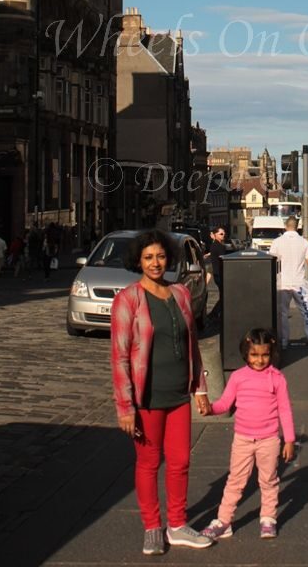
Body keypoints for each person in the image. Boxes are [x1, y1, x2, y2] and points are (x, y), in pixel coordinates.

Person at [111, 228, 213, 556]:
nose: (156, 263)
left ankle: (178, 523)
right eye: (148, 257)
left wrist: (200, 387)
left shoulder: (181, 294)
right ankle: (152, 527)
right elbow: (120, 355)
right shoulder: (128, 299)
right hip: (148, 397)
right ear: (138, 261)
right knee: (148, 462)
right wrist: (125, 406)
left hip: (179, 393)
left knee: (181, 460)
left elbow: (191, 344)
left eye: (160, 256)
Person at [200, 327, 295, 541]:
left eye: (265, 355)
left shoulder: (277, 378)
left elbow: (285, 409)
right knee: (235, 480)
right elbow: (225, 403)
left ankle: (268, 518)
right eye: (254, 354)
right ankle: (224, 521)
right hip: (242, 439)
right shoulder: (237, 377)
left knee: (268, 480)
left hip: (269, 439)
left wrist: (289, 440)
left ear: (271, 353)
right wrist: (210, 409)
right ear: (246, 353)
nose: (260, 360)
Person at [269, 216, 308, 350]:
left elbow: (271, 262)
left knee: (282, 313)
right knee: (307, 310)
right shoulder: (304, 242)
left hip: (283, 282)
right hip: (299, 282)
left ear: (286, 226)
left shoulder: (277, 242)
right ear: (297, 227)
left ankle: (284, 340)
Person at [207, 226, 227, 324]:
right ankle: (214, 314)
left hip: (217, 274)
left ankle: (217, 314)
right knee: (224, 295)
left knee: (223, 295)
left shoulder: (216, 245)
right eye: (221, 234)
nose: (223, 235)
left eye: (224, 233)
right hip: (219, 274)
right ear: (215, 235)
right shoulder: (219, 246)